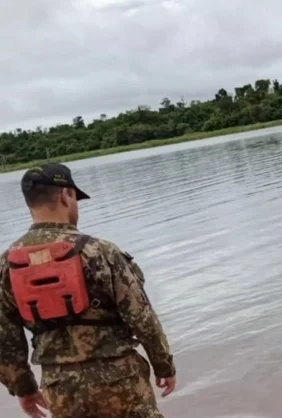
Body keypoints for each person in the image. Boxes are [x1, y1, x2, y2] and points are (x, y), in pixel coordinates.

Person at [0, 163, 177, 418]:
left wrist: (23, 388)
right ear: (66, 195)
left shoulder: (7, 265)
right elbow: (142, 317)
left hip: (60, 388)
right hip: (120, 379)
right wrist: (163, 366)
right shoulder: (101, 252)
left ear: (30, 203)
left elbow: (5, 338)